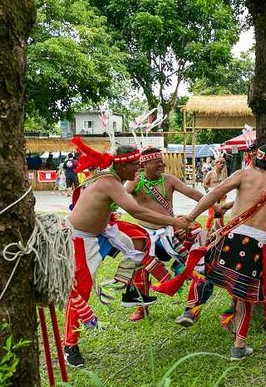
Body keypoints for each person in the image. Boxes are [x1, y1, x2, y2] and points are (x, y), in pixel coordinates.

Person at [154, 144, 266, 359]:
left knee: (203, 268)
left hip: (231, 238)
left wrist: (191, 217)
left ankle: (192, 308)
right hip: (256, 246)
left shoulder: (243, 174)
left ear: (256, 159)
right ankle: (238, 347)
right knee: (243, 297)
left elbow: (215, 194)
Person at [62, 138, 190, 369]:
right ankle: (70, 345)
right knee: (80, 290)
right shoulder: (110, 181)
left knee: (140, 239)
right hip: (81, 238)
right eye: (134, 164)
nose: (138, 168)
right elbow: (135, 209)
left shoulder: (114, 179)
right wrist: (174, 222)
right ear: (121, 165)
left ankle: (132, 290)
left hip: (105, 230)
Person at [123, 147, 214, 324]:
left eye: (161, 161)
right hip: (145, 234)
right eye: (156, 162)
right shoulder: (134, 183)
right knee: (140, 267)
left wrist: (213, 205)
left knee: (194, 258)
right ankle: (141, 307)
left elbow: (192, 193)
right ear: (144, 164)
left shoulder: (169, 180)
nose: (161, 165)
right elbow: (120, 198)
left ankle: (192, 307)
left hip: (170, 232)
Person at [203, 155, 230, 234]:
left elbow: (227, 184)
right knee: (211, 215)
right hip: (212, 197)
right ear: (216, 164)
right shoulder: (210, 173)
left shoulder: (224, 174)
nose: (222, 165)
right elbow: (205, 184)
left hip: (222, 197)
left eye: (224, 163)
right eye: (220, 163)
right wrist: (209, 192)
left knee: (221, 215)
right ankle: (207, 231)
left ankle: (221, 231)